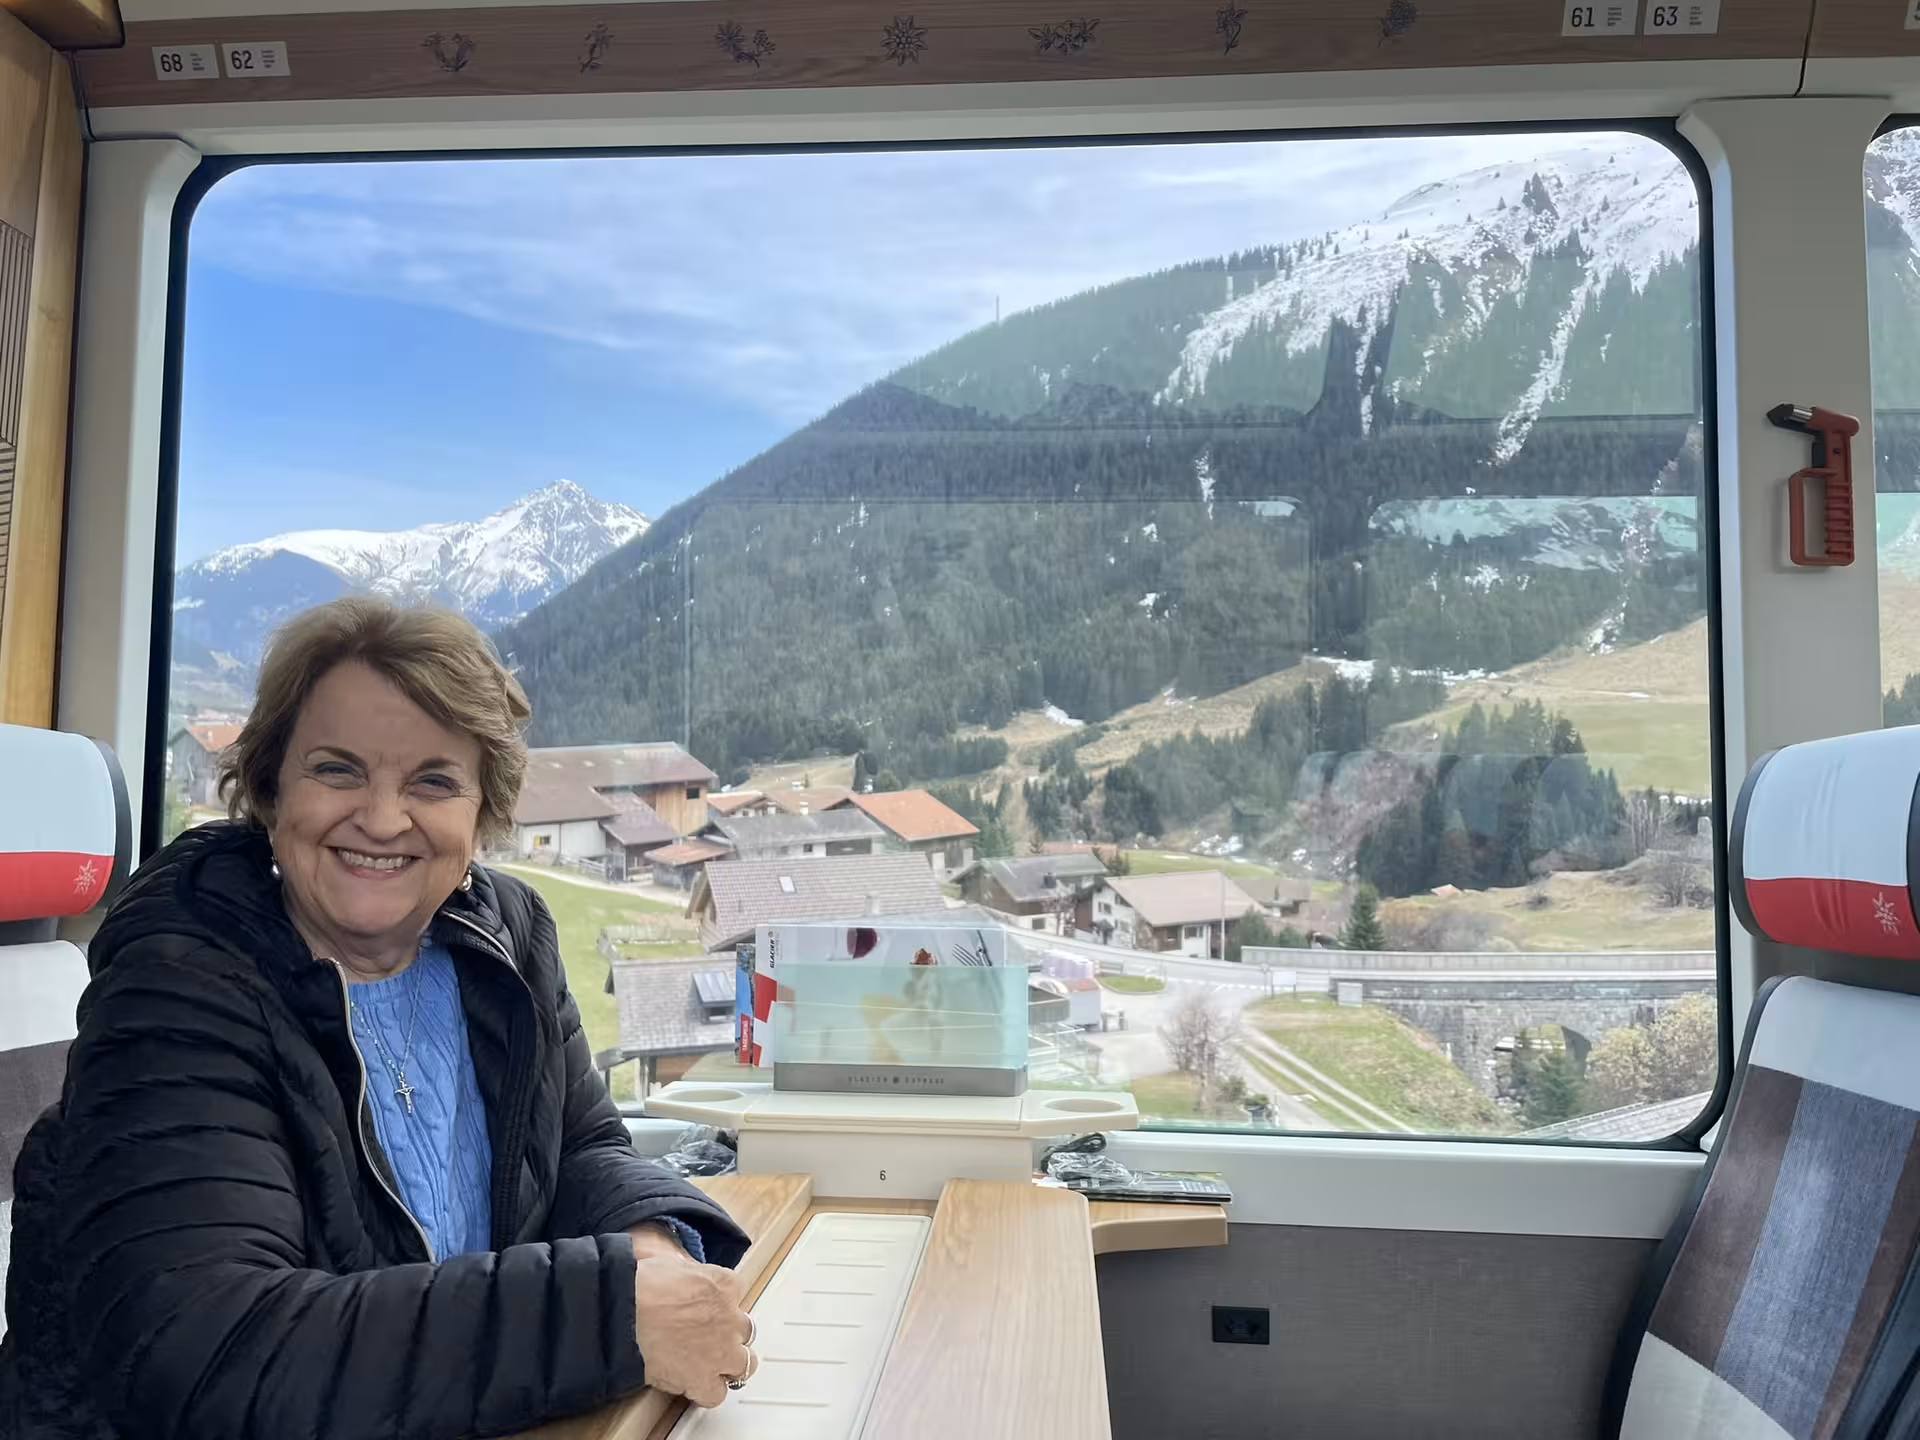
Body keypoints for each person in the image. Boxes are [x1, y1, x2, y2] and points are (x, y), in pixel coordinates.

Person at [1, 597, 759, 1439]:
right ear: (268, 785)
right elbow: (209, 1350)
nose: (384, 817)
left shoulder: (504, 936)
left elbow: (580, 1148)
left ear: (481, 812)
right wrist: (609, 1313)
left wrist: (649, 1249)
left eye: (433, 781)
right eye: (337, 769)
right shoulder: (178, 984)